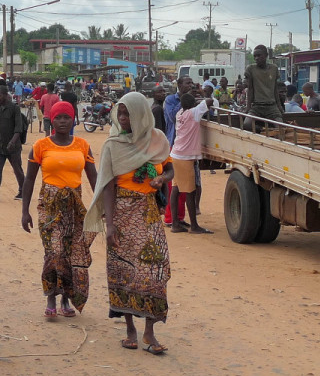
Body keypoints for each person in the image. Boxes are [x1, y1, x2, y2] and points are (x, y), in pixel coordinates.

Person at [88, 91, 173, 355]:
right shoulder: (113, 145)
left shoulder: (157, 140)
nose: (123, 118)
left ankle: (149, 331)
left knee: (154, 270)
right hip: (122, 214)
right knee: (123, 270)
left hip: (148, 215)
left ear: (140, 115)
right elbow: (108, 186)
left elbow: (170, 168)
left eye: (128, 113)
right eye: (120, 113)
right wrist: (110, 224)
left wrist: (162, 179)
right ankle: (130, 331)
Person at [20, 101, 97, 318]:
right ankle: (51, 296)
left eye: (67, 117)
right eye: (58, 118)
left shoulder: (83, 145)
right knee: (54, 251)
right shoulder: (41, 145)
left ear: (73, 120)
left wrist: (100, 206)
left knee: (70, 252)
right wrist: (25, 211)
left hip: (74, 207)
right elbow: (29, 180)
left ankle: (65, 298)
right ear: (51, 120)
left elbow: (94, 178)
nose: (62, 121)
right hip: (49, 206)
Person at [169, 82, 211, 233]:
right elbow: (210, 101)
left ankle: (175, 223)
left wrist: (195, 100)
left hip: (176, 154)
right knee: (190, 192)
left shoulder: (179, 113)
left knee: (176, 189)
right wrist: (201, 93)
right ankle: (194, 225)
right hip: (185, 157)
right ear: (193, 104)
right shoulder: (194, 113)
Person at [0, 84, 28, 202]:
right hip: (0, 145)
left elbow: (19, 128)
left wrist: (13, 142)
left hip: (13, 147)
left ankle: (23, 191)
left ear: (5, 95)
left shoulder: (15, 108)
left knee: (17, 169)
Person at [247, 46, 281, 120]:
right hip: (257, 106)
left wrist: (279, 106)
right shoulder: (251, 69)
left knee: (279, 124)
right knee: (247, 124)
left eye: (259, 55)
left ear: (266, 56)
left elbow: (275, 89)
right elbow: (250, 89)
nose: (256, 58)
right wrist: (248, 107)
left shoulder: (274, 68)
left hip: (271, 106)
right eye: (255, 56)